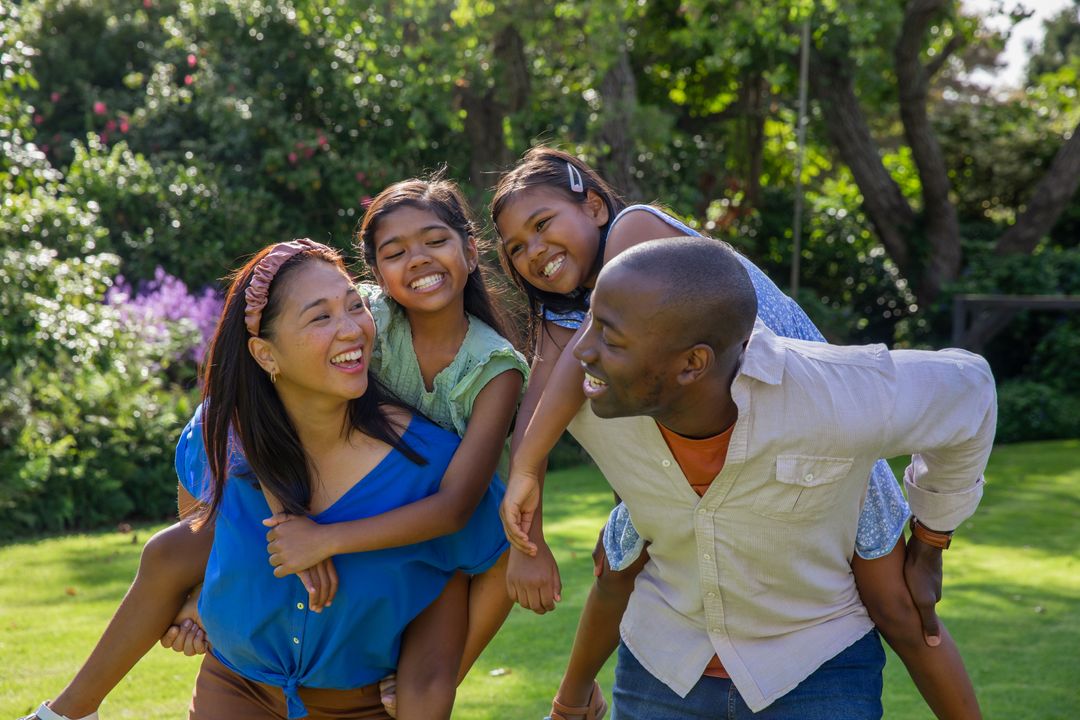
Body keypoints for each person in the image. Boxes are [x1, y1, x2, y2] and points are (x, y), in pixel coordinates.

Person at [491, 146, 980, 720]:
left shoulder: (636, 231)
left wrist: (931, 541)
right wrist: (531, 536)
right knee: (618, 563)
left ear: (595, 206)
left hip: (813, 445)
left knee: (900, 609)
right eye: (515, 248)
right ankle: (574, 699)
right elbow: (540, 406)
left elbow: (575, 361)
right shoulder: (569, 320)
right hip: (696, 460)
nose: (533, 252)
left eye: (542, 224)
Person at [22, 192, 527, 720]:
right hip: (235, 688)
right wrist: (204, 585)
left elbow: (492, 553)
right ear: (266, 354)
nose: (352, 328)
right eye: (320, 318)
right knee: (171, 549)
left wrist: (325, 541)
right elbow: (197, 475)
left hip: (362, 707)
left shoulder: (434, 458)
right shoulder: (230, 432)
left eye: (355, 307)